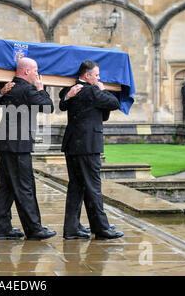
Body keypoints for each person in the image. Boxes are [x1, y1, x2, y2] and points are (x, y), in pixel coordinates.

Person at [59, 60, 124, 240]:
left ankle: (71, 228)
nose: (98, 78)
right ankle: (101, 228)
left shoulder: (70, 91)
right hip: (87, 146)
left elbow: (62, 103)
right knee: (93, 187)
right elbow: (113, 102)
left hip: (72, 145)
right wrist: (102, 89)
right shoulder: (92, 90)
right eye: (96, 75)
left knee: (76, 187)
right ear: (87, 76)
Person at [0, 57, 56, 241]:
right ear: (27, 71)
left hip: (5, 143)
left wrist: (0, 93)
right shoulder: (28, 90)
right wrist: (41, 89)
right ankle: (34, 228)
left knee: (6, 188)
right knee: (25, 187)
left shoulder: (9, 87)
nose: (37, 73)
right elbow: (48, 107)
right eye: (35, 70)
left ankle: (3, 228)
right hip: (18, 146)